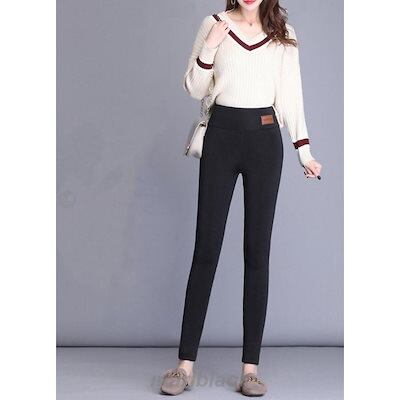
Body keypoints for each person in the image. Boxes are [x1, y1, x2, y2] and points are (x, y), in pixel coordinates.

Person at [160, 0, 322, 396]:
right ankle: (184, 365)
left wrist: (304, 151)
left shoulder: (284, 33)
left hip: (265, 140)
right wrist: (211, 47)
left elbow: (291, 93)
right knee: (206, 249)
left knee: (257, 252)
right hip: (221, 137)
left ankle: (251, 369)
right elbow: (193, 87)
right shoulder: (213, 23)